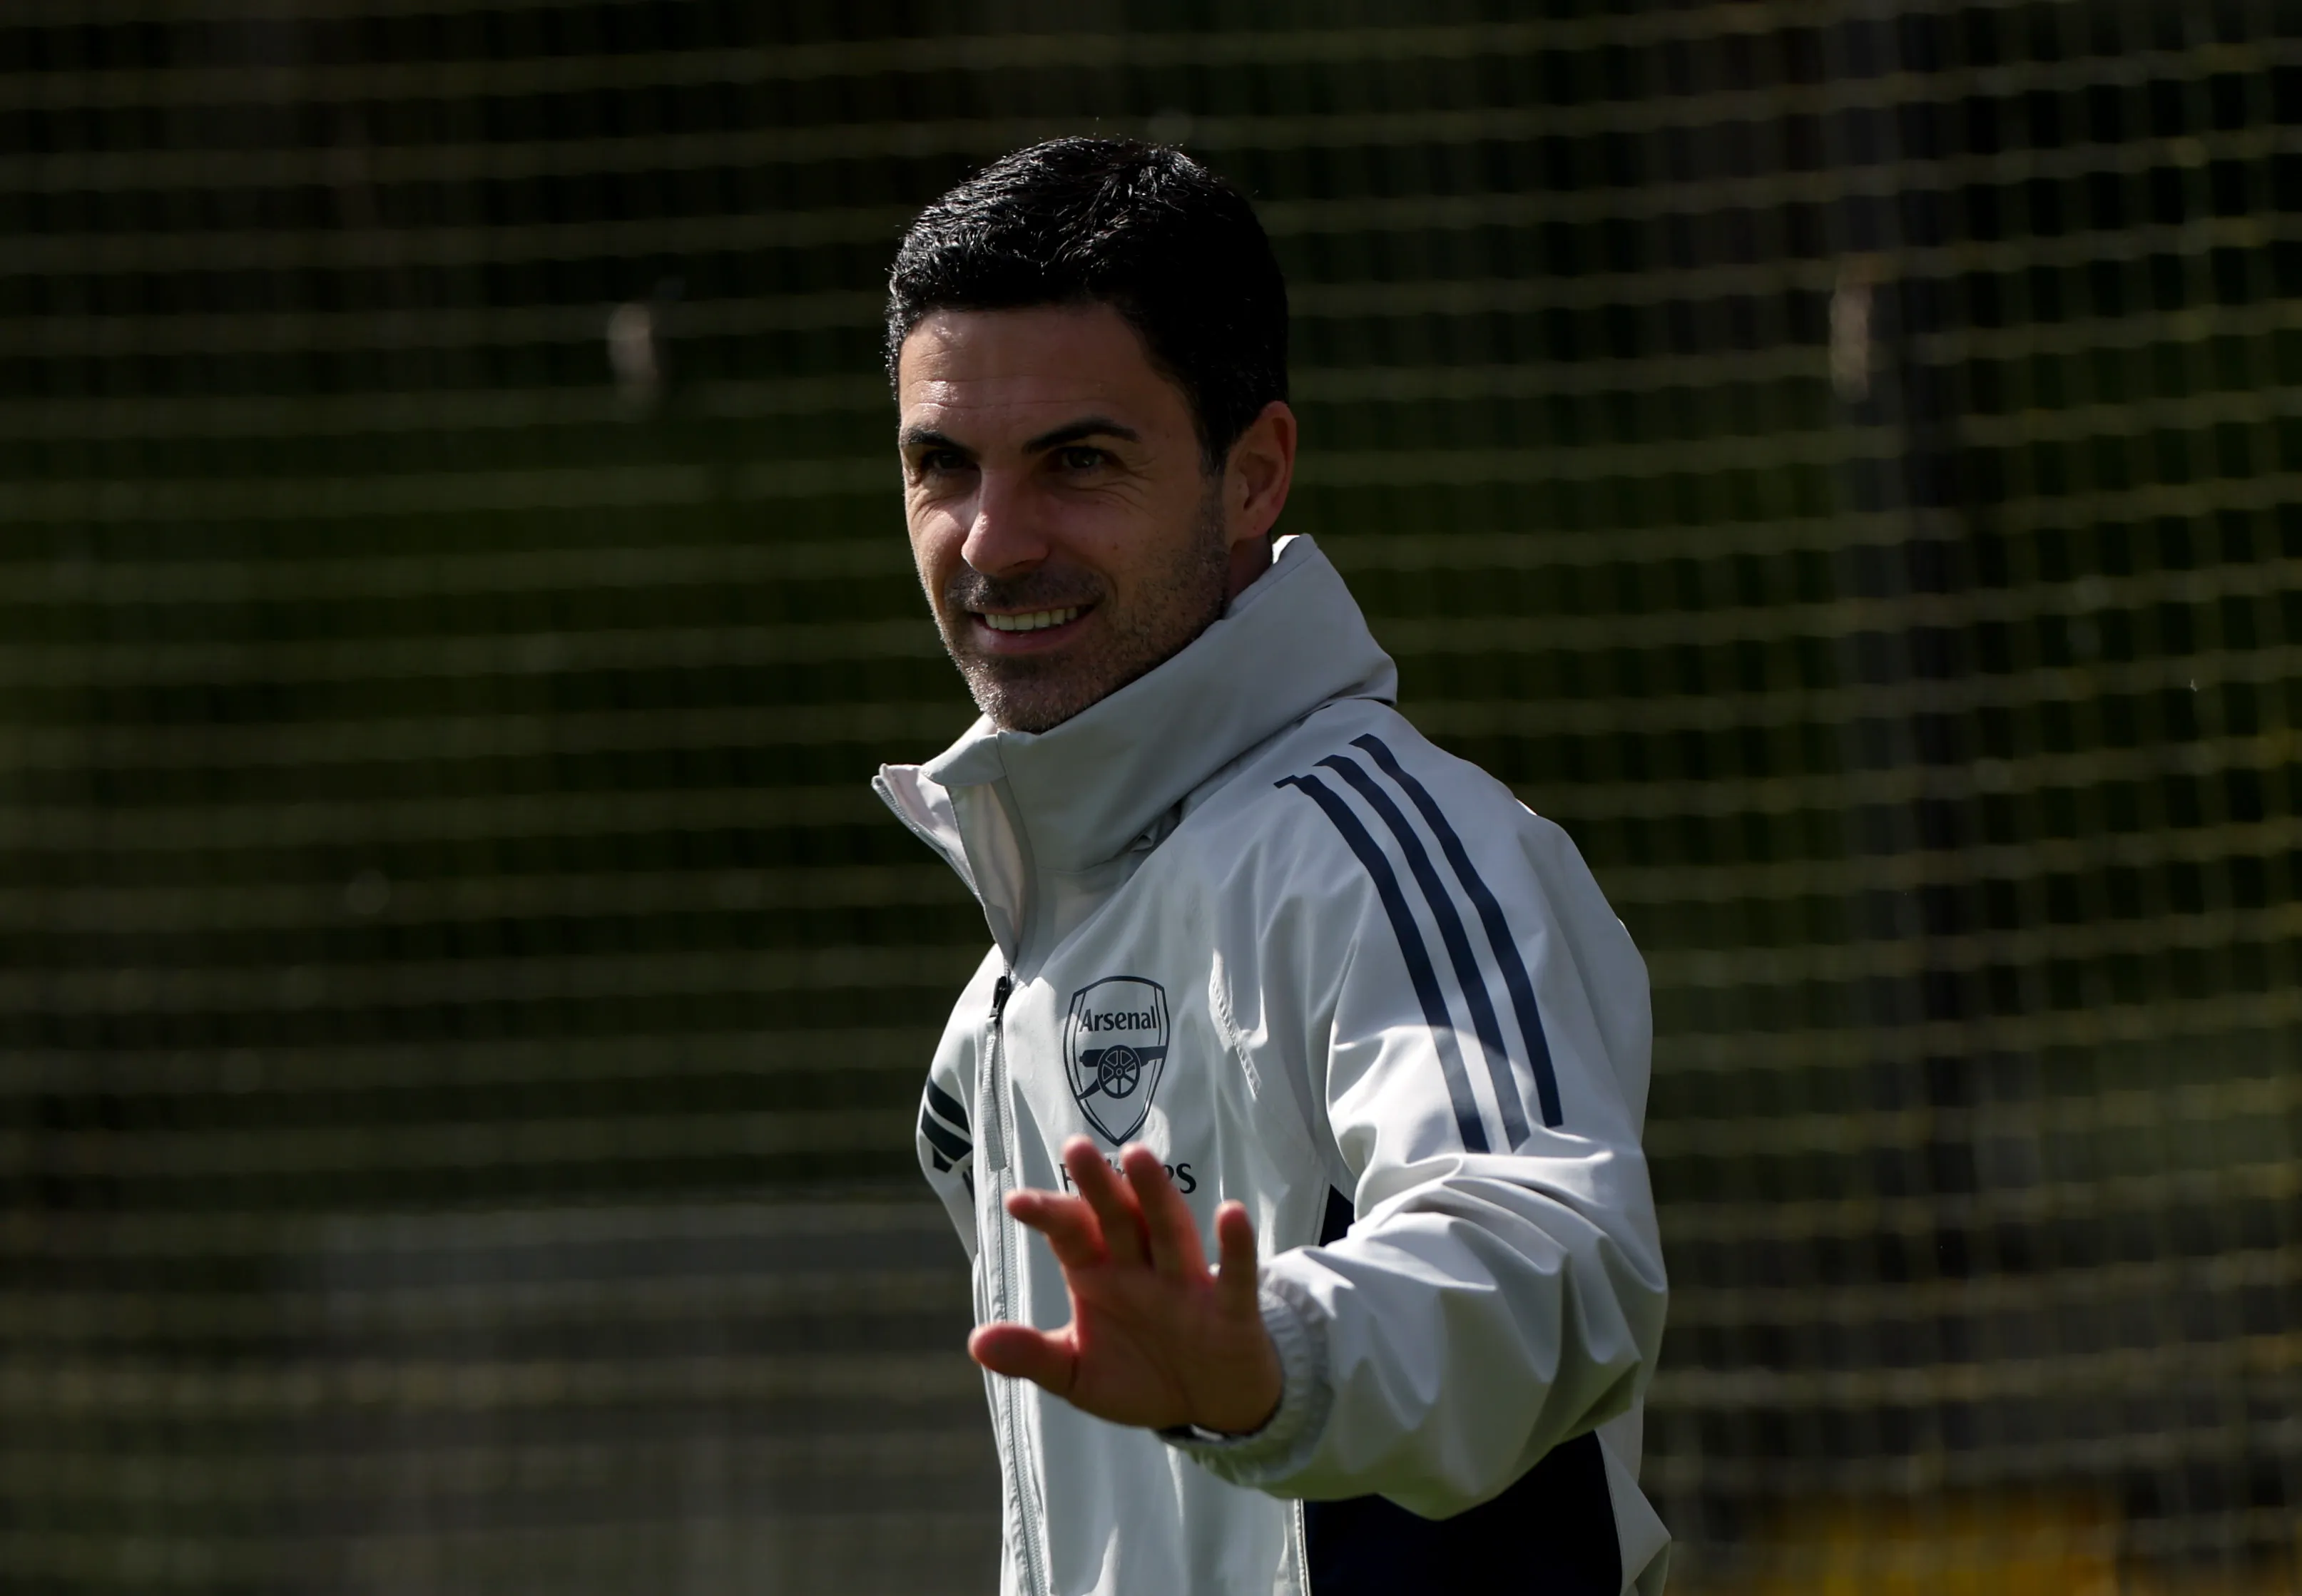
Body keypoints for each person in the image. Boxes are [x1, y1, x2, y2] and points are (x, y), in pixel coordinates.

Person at [874, 137, 1669, 1596]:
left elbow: (1553, 1262)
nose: (993, 539)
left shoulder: (1381, 855)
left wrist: (1266, 1362)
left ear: (1252, 477)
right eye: (944, 465)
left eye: (1078, 462)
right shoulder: (993, 1014)